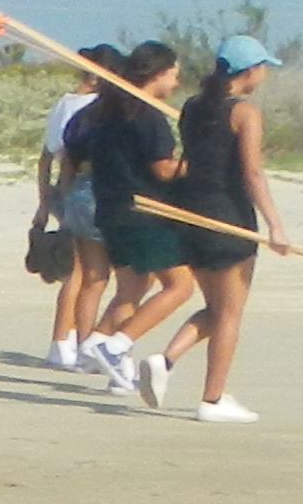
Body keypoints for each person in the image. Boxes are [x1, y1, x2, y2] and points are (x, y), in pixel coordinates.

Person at [153, 34, 286, 421]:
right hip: (228, 219)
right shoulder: (244, 113)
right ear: (250, 70)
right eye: (262, 68)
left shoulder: (193, 106)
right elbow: (252, 174)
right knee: (230, 314)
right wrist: (276, 226)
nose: (263, 75)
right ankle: (212, 399)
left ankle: (165, 361)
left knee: (216, 308)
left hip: (191, 215)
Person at [77, 43, 188, 405]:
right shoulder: (147, 114)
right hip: (142, 211)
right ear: (156, 74)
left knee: (132, 287)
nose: (176, 81)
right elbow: (163, 169)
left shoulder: (110, 109)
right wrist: (204, 165)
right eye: (173, 73)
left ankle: (98, 344)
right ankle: (117, 345)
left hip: (111, 209)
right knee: (180, 286)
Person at [37, 45, 120, 365]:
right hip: (85, 189)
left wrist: (44, 203)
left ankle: (63, 339)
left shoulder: (64, 103)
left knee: (77, 271)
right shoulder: (97, 107)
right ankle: (69, 342)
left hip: (63, 188)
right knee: (88, 273)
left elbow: (47, 158)